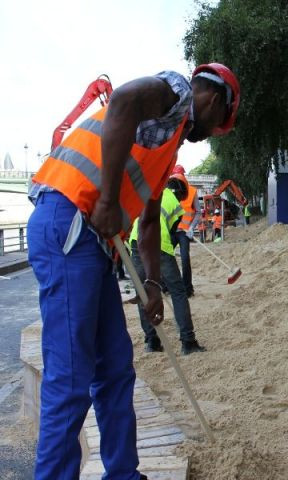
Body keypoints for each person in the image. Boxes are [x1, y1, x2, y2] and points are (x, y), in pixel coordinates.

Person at [26, 63, 240, 480]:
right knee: (70, 377)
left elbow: (147, 226)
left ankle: (123, 473)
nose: (211, 133)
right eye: (218, 125)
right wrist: (106, 199)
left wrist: (153, 286)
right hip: (71, 219)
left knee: (114, 368)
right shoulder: (175, 94)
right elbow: (123, 99)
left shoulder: (168, 147)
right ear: (213, 101)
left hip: (95, 243)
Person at [129, 186, 205, 355]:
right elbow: (173, 233)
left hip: (136, 241)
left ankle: (152, 342)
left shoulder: (149, 190)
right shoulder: (174, 202)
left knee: (143, 292)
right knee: (178, 292)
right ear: (181, 195)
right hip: (158, 241)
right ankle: (188, 341)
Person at [171, 165, 199, 297]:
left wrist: (192, 227)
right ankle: (166, 286)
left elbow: (198, 212)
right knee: (165, 257)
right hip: (171, 231)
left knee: (185, 259)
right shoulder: (168, 191)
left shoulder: (192, 191)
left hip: (184, 232)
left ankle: (188, 289)